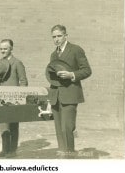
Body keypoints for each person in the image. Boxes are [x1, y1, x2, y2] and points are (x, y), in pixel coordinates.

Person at [46, 25, 92, 158]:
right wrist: (50, 98)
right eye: (54, 37)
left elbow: (87, 70)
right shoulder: (53, 54)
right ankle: (62, 152)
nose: (56, 39)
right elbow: (52, 77)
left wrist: (71, 75)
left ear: (66, 36)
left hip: (70, 94)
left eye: (59, 36)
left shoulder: (76, 50)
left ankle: (69, 154)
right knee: (59, 127)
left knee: (67, 127)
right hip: (56, 95)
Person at [0, 39, 28, 158]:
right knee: (3, 124)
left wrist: (21, 98)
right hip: (2, 98)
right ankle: (4, 149)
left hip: (14, 99)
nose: (3, 51)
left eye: (5, 48)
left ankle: (12, 150)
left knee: (13, 124)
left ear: (11, 48)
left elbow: (23, 81)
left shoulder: (17, 63)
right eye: (1, 49)